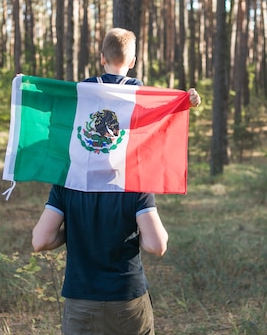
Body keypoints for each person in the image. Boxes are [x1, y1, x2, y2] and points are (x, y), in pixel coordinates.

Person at [32, 27, 201, 335]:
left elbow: (40, 240)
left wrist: (71, 233)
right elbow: (157, 245)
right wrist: (183, 104)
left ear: (101, 58)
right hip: (127, 301)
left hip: (81, 303)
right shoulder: (134, 183)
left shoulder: (66, 182)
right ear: (133, 61)